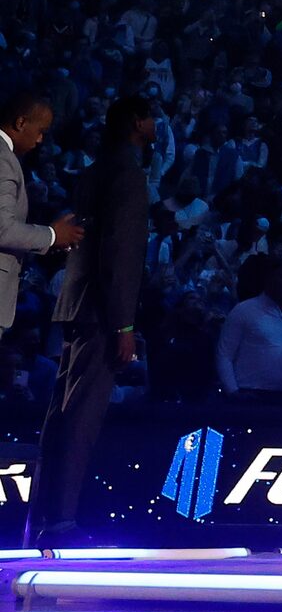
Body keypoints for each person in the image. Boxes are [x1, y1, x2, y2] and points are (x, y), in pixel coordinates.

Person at [26, 96, 149, 549]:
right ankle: (62, 523)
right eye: (152, 118)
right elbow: (119, 250)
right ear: (139, 123)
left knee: (61, 413)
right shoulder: (129, 174)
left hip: (76, 302)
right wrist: (123, 324)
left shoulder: (95, 169)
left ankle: (43, 515)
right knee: (80, 417)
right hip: (102, 310)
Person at [0, 89, 80, 335]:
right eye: (41, 131)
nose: (40, 140)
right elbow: (3, 229)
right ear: (21, 122)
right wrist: (52, 235)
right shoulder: (3, 160)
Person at [215, 255, 282, 396]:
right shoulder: (243, 310)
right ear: (268, 279)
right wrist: (233, 391)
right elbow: (224, 354)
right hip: (249, 393)